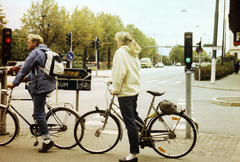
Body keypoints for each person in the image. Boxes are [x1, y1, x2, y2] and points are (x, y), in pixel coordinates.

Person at [7, 34, 55, 153]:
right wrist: (27, 78)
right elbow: (39, 70)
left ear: (35, 42)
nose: (27, 44)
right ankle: (41, 126)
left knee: (38, 113)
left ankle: (47, 141)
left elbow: (24, 68)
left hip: (41, 86)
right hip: (46, 83)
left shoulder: (36, 52)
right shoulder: (45, 51)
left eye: (28, 42)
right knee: (39, 112)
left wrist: (15, 83)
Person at [111, 32, 144, 162]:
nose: (117, 44)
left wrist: (115, 90)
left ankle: (133, 154)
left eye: (117, 41)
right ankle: (146, 136)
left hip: (125, 93)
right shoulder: (133, 52)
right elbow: (134, 69)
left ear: (121, 42)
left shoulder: (120, 53)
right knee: (134, 117)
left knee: (130, 123)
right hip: (134, 90)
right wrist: (111, 80)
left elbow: (120, 73)